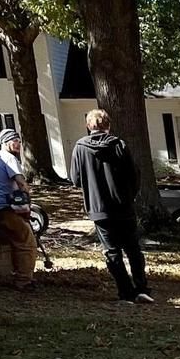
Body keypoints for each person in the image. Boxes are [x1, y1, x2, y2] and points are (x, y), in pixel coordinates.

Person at [69, 108, 152, 303]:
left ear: (89, 126)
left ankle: (125, 292)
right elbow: (134, 175)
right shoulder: (119, 145)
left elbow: (75, 179)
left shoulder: (80, 148)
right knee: (133, 249)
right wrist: (129, 196)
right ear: (108, 125)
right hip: (123, 206)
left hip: (99, 210)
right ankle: (141, 288)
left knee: (112, 251)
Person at [0, 128, 37, 291]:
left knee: (14, 241)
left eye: (19, 141)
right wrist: (27, 206)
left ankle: (17, 273)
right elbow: (21, 183)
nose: (18, 144)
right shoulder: (9, 159)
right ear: (6, 143)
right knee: (26, 242)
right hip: (8, 207)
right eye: (15, 141)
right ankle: (24, 281)